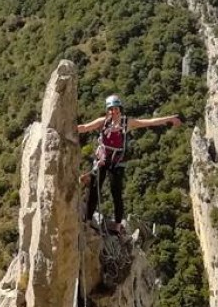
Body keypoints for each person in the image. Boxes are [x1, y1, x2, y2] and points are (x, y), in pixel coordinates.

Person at [77, 95, 181, 228]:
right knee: (94, 189)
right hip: (102, 160)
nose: (113, 112)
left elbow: (150, 122)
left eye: (116, 109)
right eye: (110, 109)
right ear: (107, 110)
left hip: (117, 162)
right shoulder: (103, 122)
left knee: (116, 192)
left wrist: (170, 119)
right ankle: (88, 219)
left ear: (120, 109)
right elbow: (85, 127)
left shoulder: (127, 123)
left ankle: (118, 225)